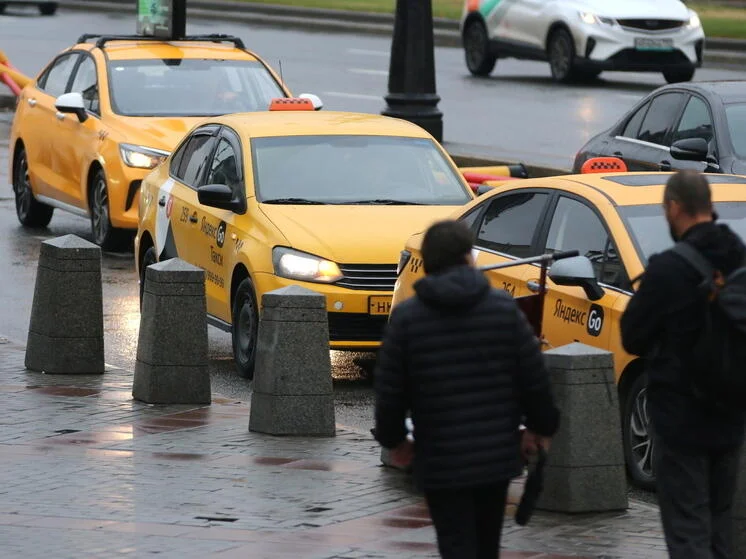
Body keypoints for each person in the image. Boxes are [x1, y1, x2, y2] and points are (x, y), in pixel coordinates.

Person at [373, 219, 560, 559]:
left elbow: (390, 392)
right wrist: (540, 428)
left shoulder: (408, 319)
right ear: (468, 258)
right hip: (496, 456)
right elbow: (534, 379)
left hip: (440, 458)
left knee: (455, 543)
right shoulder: (503, 309)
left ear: (428, 263)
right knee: (486, 544)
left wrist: (395, 441)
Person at [620, 170, 746, 559]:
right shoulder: (740, 257)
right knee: (719, 525)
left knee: (688, 527)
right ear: (709, 206)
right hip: (731, 415)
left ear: (674, 207)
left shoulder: (668, 269)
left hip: (681, 420)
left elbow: (632, 336)